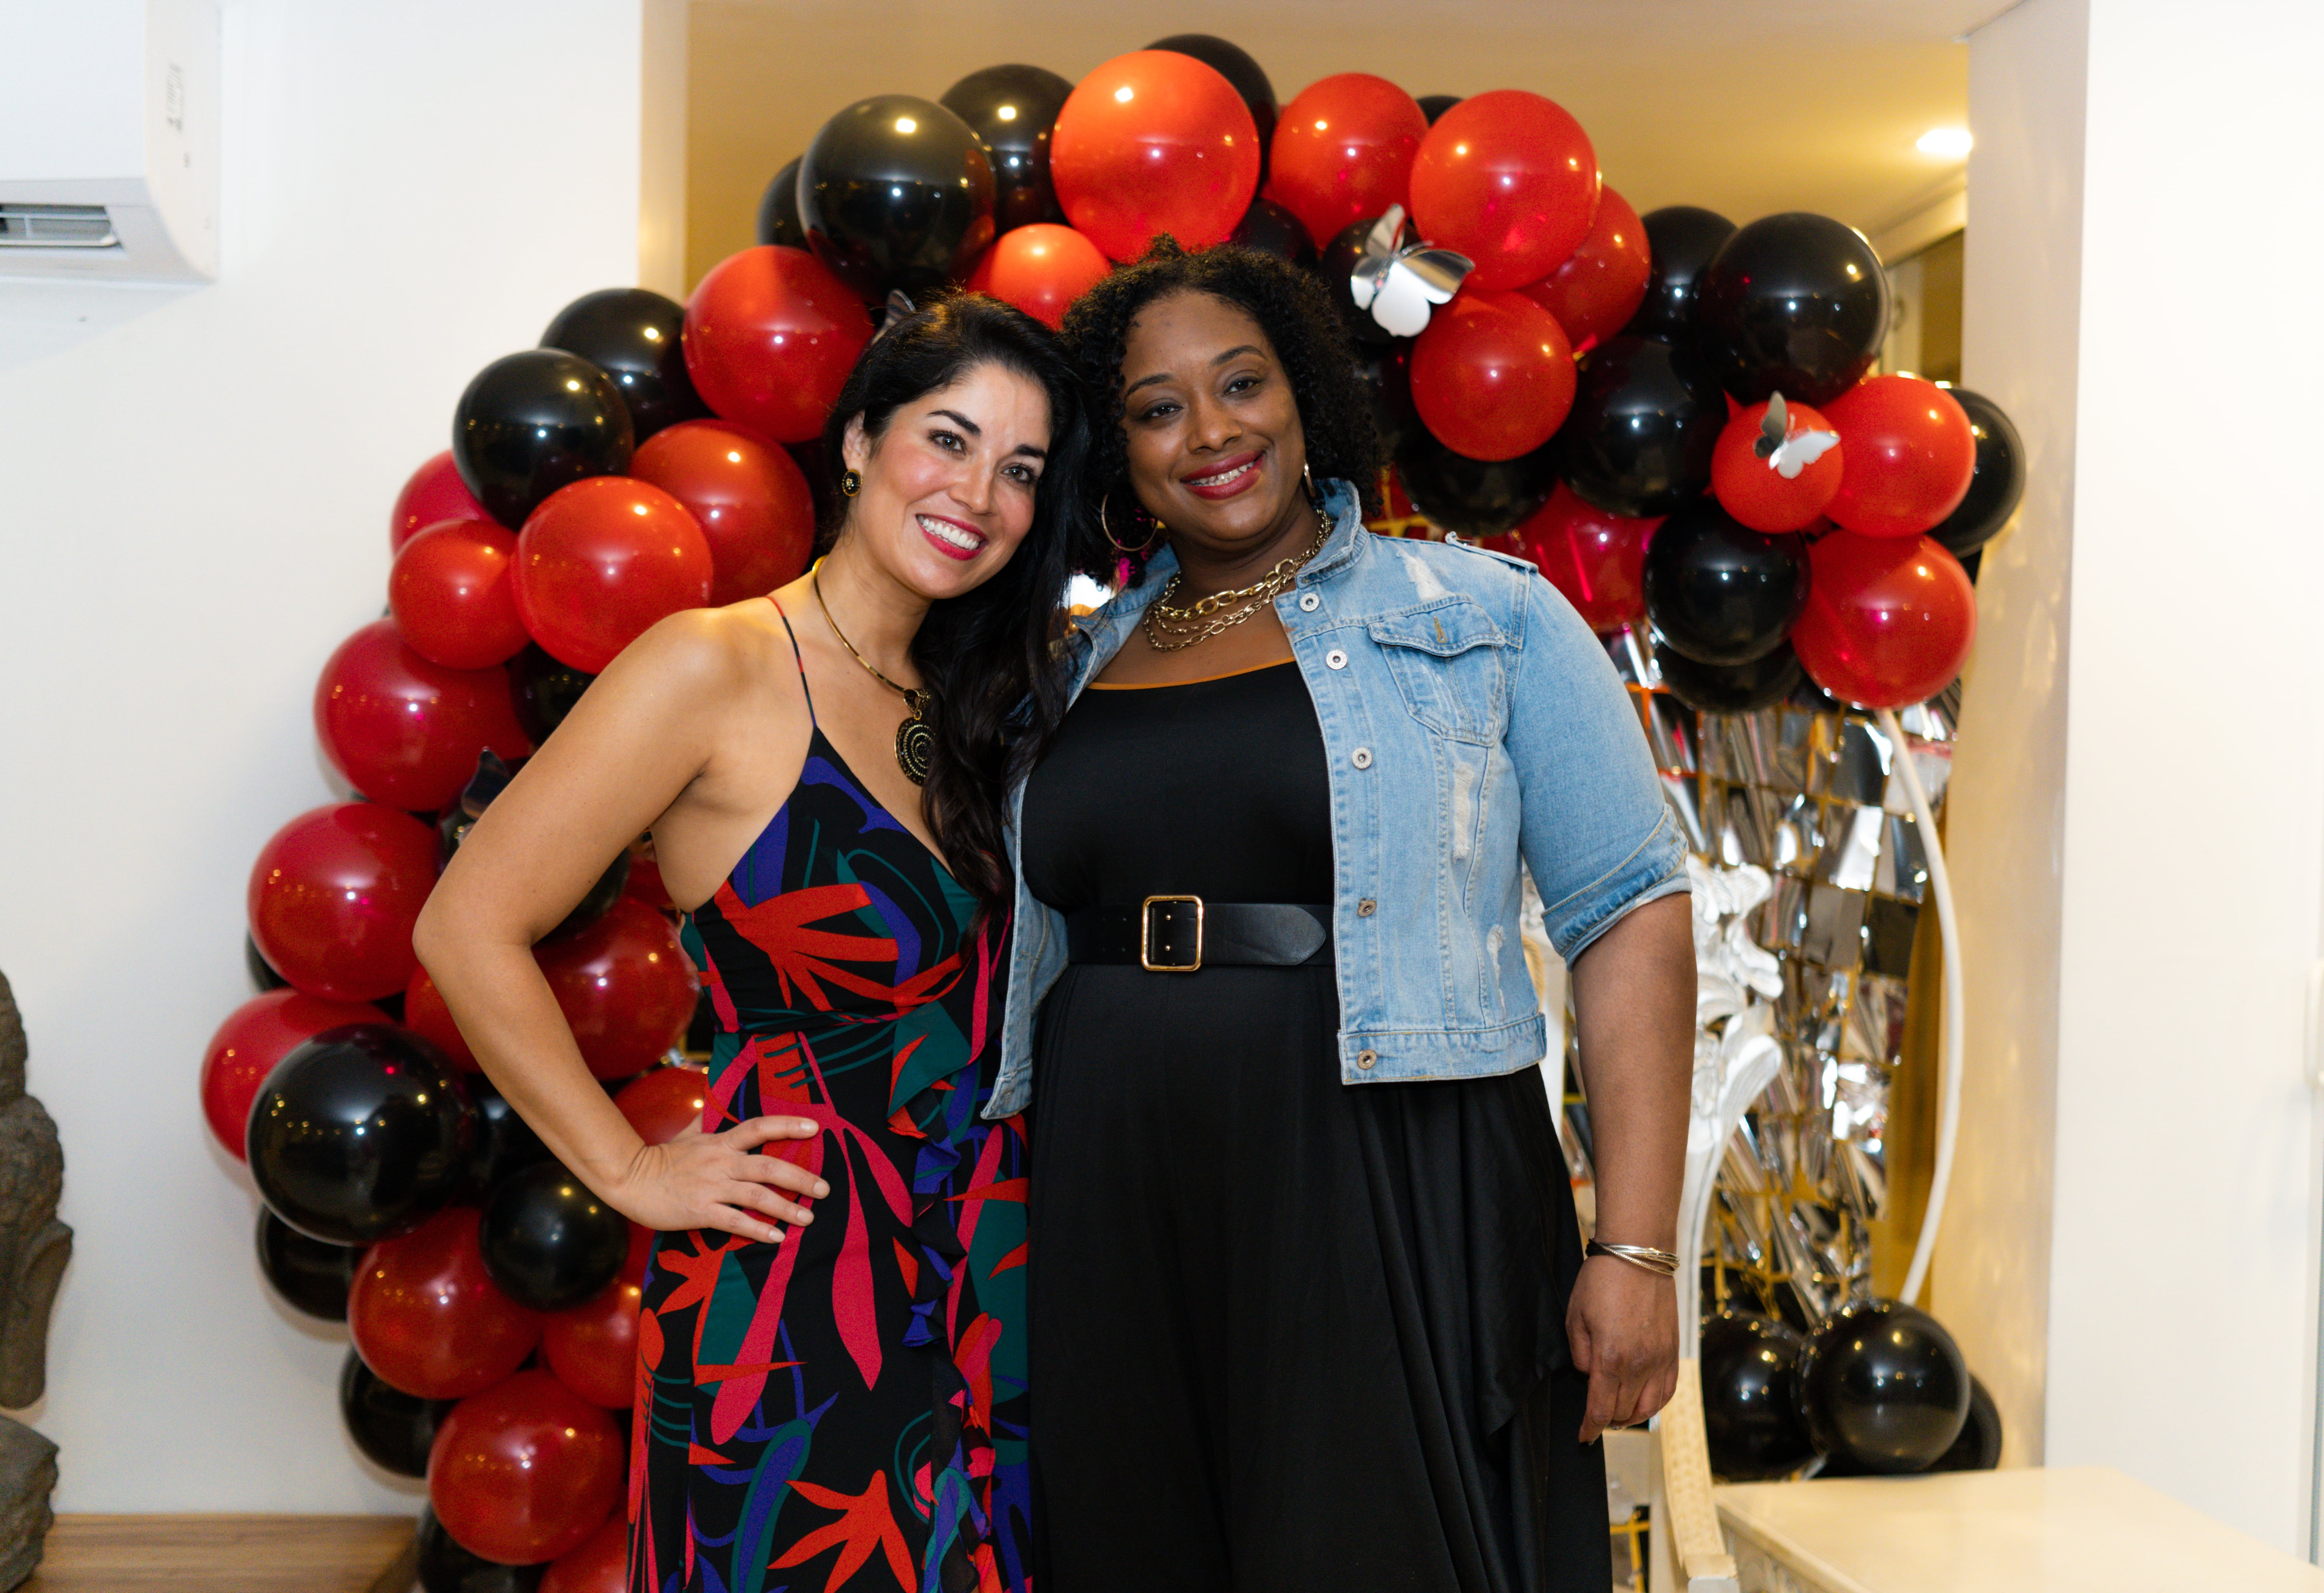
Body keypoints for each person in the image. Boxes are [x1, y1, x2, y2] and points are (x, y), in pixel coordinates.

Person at [1004, 239, 1696, 1592]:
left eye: (1242, 384)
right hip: (1111, 1183)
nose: (1212, 432)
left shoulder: (1488, 617)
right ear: (1118, 454)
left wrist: (1636, 1247)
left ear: (1307, 395)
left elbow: (1630, 915)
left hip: (1386, 1166)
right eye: (1157, 409)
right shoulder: (1074, 668)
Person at [414, 293, 1090, 1593]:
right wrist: (628, 1167)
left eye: (1020, 469)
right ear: (860, 441)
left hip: (991, 1262)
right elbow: (467, 923)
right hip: (800, 1281)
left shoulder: (978, 699)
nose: (978, 494)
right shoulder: (712, 667)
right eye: (949, 440)